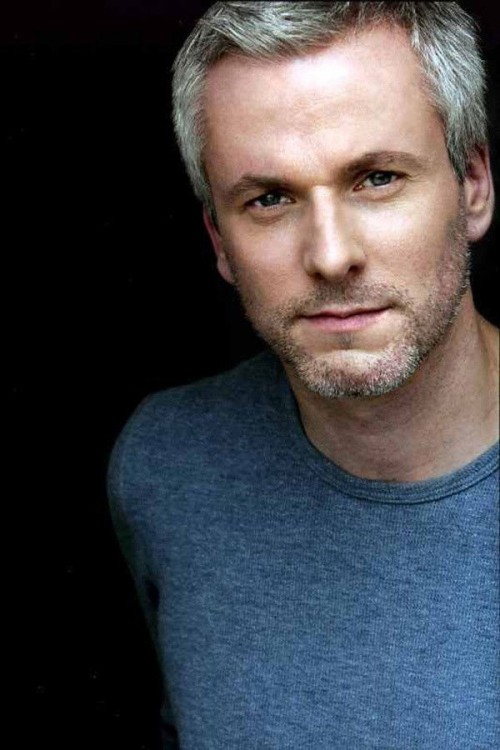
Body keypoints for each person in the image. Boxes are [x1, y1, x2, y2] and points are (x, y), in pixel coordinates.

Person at [108, 2, 499, 748]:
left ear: (473, 183)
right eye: (270, 199)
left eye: (377, 178)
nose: (330, 255)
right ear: (218, 240)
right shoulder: (168, 465)